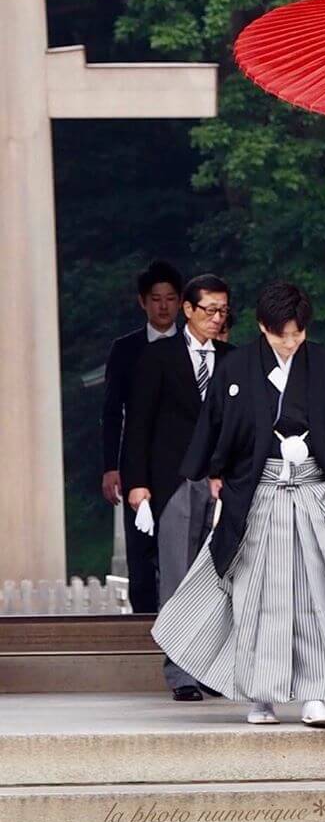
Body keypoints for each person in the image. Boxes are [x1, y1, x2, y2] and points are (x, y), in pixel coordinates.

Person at [151, 281, 325, 727]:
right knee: (257, 597)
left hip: (313, 492)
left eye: (298, 334)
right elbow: (218, 428)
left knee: (318, 592)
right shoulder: (238, 366)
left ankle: (316, 694)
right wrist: (214, 470)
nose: (292, 342)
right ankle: (260, 695)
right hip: (258, 495)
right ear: (263, 327)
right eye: (282, 335)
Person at [122, 273, 232, 700]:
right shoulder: (158, 357)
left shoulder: (233, 359)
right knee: (178, 575)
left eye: (222, 311)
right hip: (174, 481)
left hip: (223, 483)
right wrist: (137, 484)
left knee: (218, 577)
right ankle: (181, 670)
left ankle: (210, 666)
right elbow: (139, 425)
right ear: (188, 310)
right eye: (208, 310)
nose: (215, 318)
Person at [100, 259, 182, 614]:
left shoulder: (196, 349)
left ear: (181, 303)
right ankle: (144, 627)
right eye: (156, 299)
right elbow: (110, 412)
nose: (163, 307)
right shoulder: (126, 349)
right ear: (143, 302)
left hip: (184, 466)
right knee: (141, 553)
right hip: (138, 466)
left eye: (170, 299)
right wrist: (110, 466)